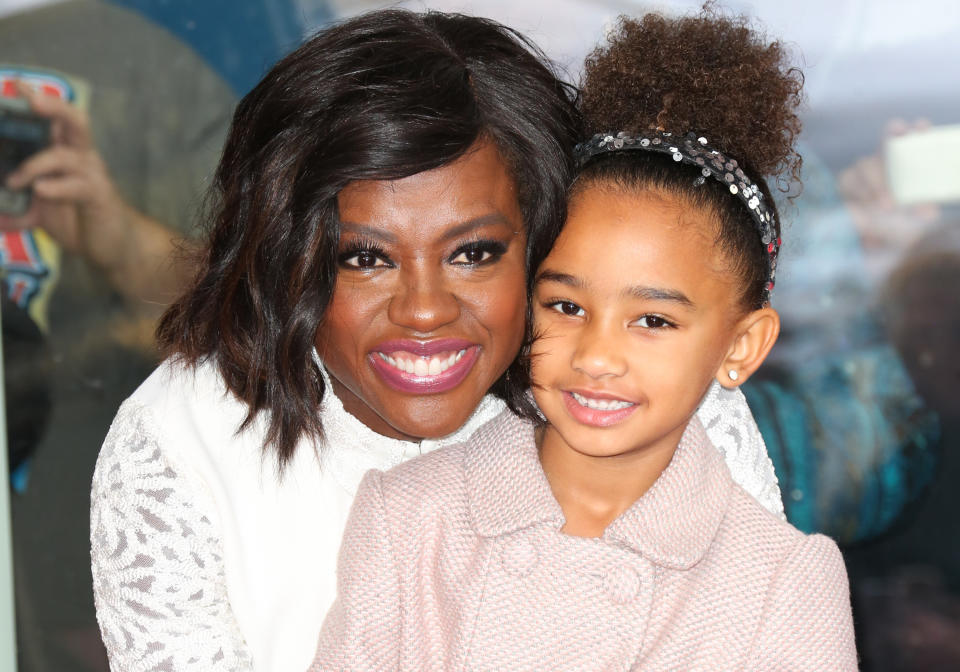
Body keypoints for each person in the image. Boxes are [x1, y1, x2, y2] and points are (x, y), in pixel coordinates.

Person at [90, 9, 782, 671]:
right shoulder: (182, 444)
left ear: (544, 240)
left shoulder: (639, 392)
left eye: (473, 253)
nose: (424, 312)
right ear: (286, 258)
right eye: (365, 258)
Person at [311, 10, 855, 670]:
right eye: (566, 305)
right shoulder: (408, 519)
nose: (596, 357)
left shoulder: (780, 582)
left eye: (652, 321)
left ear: (741, 346)